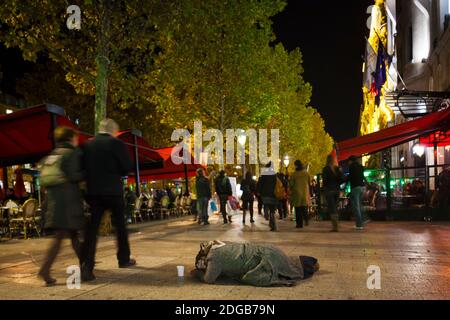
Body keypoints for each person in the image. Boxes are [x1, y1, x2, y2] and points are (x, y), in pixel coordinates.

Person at [80, 118, 135, 282]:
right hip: (113, 192)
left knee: (92, 231)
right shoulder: (116, 144)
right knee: (120, 227)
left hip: (94, 193)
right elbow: (126, 167)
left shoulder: (87, 145)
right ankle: (123, 259)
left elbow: (82, 169)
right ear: (114, 131)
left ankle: (86, 267)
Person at [38, 126, 84, 286]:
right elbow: (73, 175)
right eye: (76, 138)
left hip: (54, 200)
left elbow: (45, 180)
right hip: (67, 200)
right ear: (71, 138)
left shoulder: (52, 155)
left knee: (72, 234)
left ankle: (85, 265)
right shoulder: (72, 153)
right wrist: (85, 173)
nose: (77, 141)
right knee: (62, 236)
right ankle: (44, 269)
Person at [191, 240, 320, 287]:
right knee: (287, 262)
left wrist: (196, 273)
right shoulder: (218, 246)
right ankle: (310, 263)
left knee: (288, 270)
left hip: (266, 261)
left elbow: (209, 279)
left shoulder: (213, 258)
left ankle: (310, 267)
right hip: (268, 251)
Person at [322, 155, 345, 232]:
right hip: (336, 190)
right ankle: (336, 225)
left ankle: (335, 227)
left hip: (329, 190)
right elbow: (342, 180)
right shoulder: (337, 169)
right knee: (335, 207)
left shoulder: (325, 169)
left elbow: (324, 181)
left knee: (332, 208)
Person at [289, 160, 311, 228]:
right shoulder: (306, 173)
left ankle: (299, 224)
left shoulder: (294, 174)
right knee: (304, 207)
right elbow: (309, 182)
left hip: (296, 194)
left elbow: (291, 184)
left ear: (296, 165)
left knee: (298, 209)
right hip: (304, 192)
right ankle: (306, 219)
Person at [257, 161, 278, 231]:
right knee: (272, 210)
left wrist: (259, 192)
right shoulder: (274, 174)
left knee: (266, 206)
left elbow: (260, 183)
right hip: (273, 194)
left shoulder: (263, 174)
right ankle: (273, 224)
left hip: (265, 194)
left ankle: (268, 217)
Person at [347, 155, 367, 230]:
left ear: (351, 161)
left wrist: (345, 185)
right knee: (359, 205)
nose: (348, 163)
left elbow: (350, 177)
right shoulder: (361, 167)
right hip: (362, 187)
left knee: (356, 206)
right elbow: (362, 176)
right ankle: (363, 219)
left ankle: (359, 225)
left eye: (348, 161)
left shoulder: (352, 167)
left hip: (355, 188)